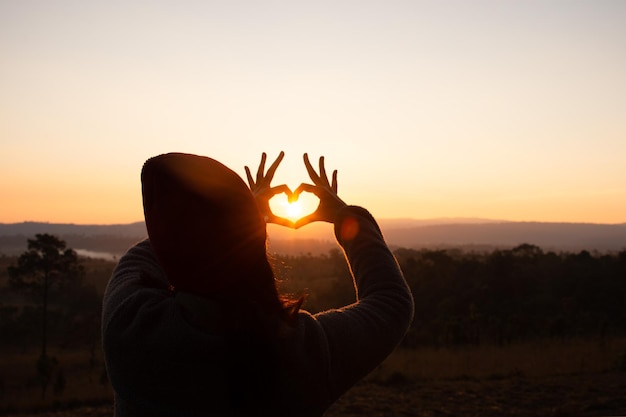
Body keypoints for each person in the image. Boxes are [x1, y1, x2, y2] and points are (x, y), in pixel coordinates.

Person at [102, 151, 414, 416]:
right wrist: (346, 216)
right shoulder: (302, 353)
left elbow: (156, 250)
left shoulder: (131, 328)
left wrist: (242, 216)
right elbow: (390, 302)